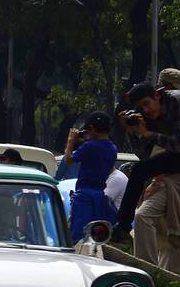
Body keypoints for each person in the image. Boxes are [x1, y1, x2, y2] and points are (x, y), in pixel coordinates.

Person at [113, 83, 180, 241]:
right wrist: (133, 132)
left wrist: (148, 133)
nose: (146, 110)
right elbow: (144, 155)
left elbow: (177, 144)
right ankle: (122, 227)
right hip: (175, 153)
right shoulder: (143, 115)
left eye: (146, 104)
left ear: (157, 96)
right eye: (141, 107)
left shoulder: (176, 104)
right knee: (138, 170)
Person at [63, 112, 118, 243]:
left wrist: (71, 141)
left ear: (92, 129)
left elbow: (69, 160)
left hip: (84, 196)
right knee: (94, 236)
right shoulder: (113, 148)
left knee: (77, 234)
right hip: (100, 196)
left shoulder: (89, 146)